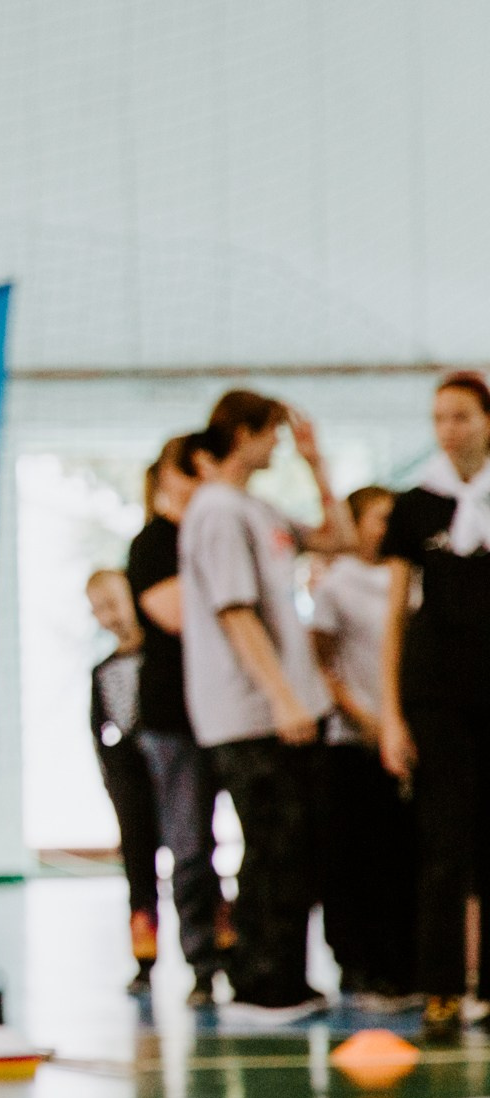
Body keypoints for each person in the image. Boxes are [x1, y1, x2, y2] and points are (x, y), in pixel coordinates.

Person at [177, 390, 349, 1022]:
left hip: (281, 707)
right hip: (249, 712)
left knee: (293, 842)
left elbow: (341, 539)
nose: (277, 444)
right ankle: (259, 984)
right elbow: (233, 611)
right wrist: (282, 698)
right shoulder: (217, 511)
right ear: (244, 433)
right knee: (272, 844)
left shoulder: (256, 508)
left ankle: (285, 978)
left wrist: (316, 465)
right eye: (273, 434)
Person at [380, 372, 490, 1040]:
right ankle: (442, 990)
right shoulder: (416, 505)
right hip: (436, 696)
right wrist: (391, 712)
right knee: (444, 846)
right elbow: (394, 613)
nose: (450, 429)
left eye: (462, 416)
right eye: (439, 418)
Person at [127, 434, 228, 1003]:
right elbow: (179, 617)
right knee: (189, 845)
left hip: (229, 711)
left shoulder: (211, 535)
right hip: (174, 718)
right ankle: (202, 965)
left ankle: (242, 950)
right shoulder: (152, 544)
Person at [309, 486, 417, 1007]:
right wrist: (363, 716)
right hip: (353, 739)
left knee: (401, 855)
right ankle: (358, 965)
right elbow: (322, 662)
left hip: (404, 738)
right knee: (356, 857)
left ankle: (403, 964)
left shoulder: (412, 579)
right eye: (378, 518)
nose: (387, 527)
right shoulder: (337, 585)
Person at [85, 567, 162, 994]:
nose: (109, 616)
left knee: (195, 858)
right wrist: (111, 779)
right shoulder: (102, 671)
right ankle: (145, 959)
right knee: (139, 869)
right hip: (128, 781)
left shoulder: (163, 658)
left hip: (168, 774)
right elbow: (96, 732)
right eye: (99, 610)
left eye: (113, 603)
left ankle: (215, 951)